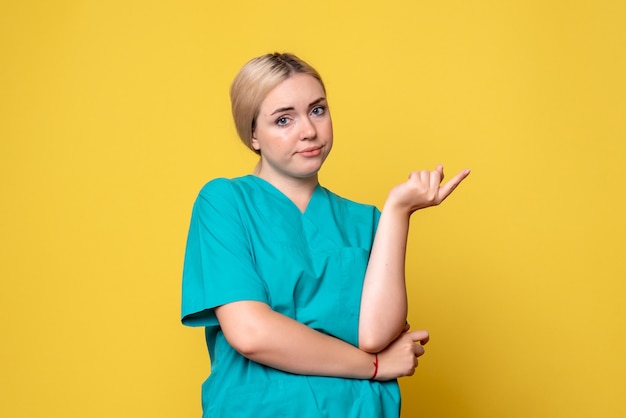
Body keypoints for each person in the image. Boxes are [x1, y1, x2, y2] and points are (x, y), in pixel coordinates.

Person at [181, 52, 470, 417]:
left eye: (317, 110)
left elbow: (374, 336)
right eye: (283, 119)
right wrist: (375, 366)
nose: (309, 131)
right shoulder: (224, 202)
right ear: (253, 134)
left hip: (359, 409)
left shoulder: (367, 220)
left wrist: (399, 210)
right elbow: (251, 333)